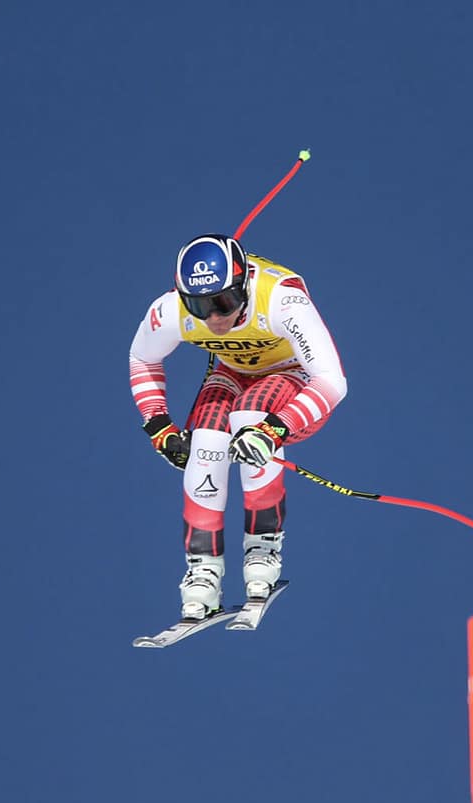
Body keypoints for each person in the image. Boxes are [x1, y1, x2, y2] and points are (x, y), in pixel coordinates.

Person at [129, 234, 347, 620]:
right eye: (200, 306)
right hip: (233, 373)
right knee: (206, 442)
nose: (214, 318)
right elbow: (142, 358)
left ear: (243, 283)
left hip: (293, 381)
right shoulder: (171, 311)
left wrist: (276, 429)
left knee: (250, 415)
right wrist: (159, 424)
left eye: (224, 303)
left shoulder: (281, 299)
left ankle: (263, 546)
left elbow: (332, 381)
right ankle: (203, 570)